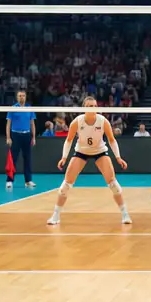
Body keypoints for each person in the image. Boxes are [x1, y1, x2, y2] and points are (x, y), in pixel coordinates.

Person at [49, 97, 130, 226]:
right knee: (65, 185)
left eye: (94, 105)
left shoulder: (103, 122)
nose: (92, 108)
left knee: (113, 184)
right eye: (89, 106)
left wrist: (118, 157)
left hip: (100, 151)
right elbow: (69, 140)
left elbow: (112, 140)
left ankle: (125, 213)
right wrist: (64, 157)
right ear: (84, 107)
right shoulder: (77, 122)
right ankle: (56, 215)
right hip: (81, 151)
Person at [5, 89, 36, 191]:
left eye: (23, 95)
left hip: (26, 135)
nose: (21, 97)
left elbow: (32, 124)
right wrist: (8, 137)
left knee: (28, 159)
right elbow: (8, 124)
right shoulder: (13, 108)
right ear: (17, 97)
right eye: (19, 96)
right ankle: (9, 180)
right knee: (13, 159)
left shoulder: (29, 108)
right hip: (15, 135)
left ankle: (28, 181)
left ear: (26, 97)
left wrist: (33, 137)